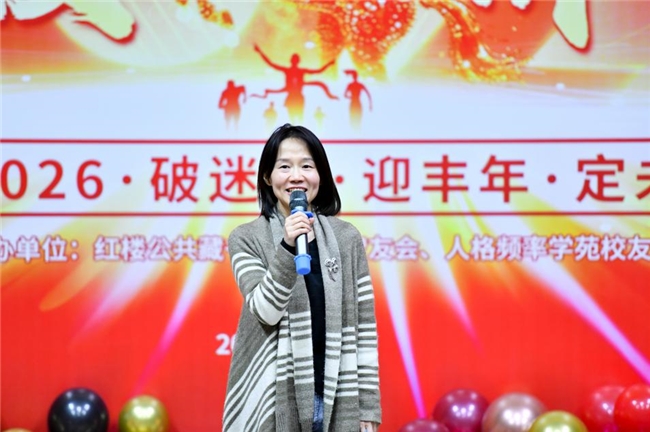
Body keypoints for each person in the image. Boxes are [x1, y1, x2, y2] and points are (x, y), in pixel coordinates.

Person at [223, 124, 381, 432]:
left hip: (336, 391)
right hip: (274, 396)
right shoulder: (246, 238)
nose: (296, 176)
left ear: (320, 175)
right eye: (285, 167)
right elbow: (266, 311)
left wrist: (368, 406)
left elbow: (364, 328)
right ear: (267, 177)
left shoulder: (346, 238)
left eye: (307, 166)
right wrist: (287, 246)